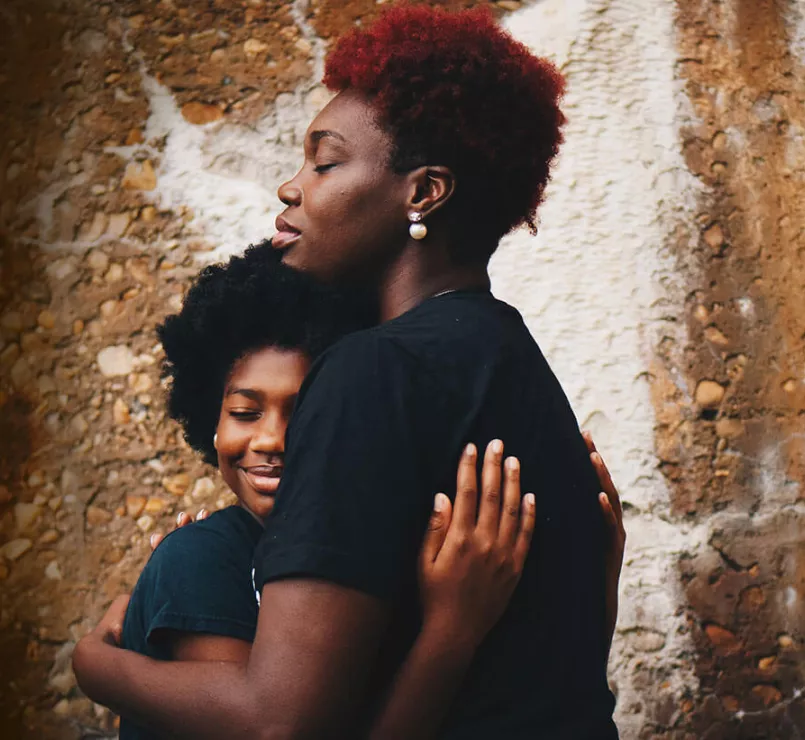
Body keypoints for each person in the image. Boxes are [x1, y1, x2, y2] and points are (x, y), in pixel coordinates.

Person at [74, 5, 622, 737]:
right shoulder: (508, 358)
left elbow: (282, 722)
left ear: (422, 193)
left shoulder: (372, 369)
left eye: (324, 163)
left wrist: (94, 665)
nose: (291, 189)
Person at [118, 244, 538, 739]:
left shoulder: (359, 559)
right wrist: (451, 633)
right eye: (245, 412)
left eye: (304, 413)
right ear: (210, 423)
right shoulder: (202, 558)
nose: (272, 439)